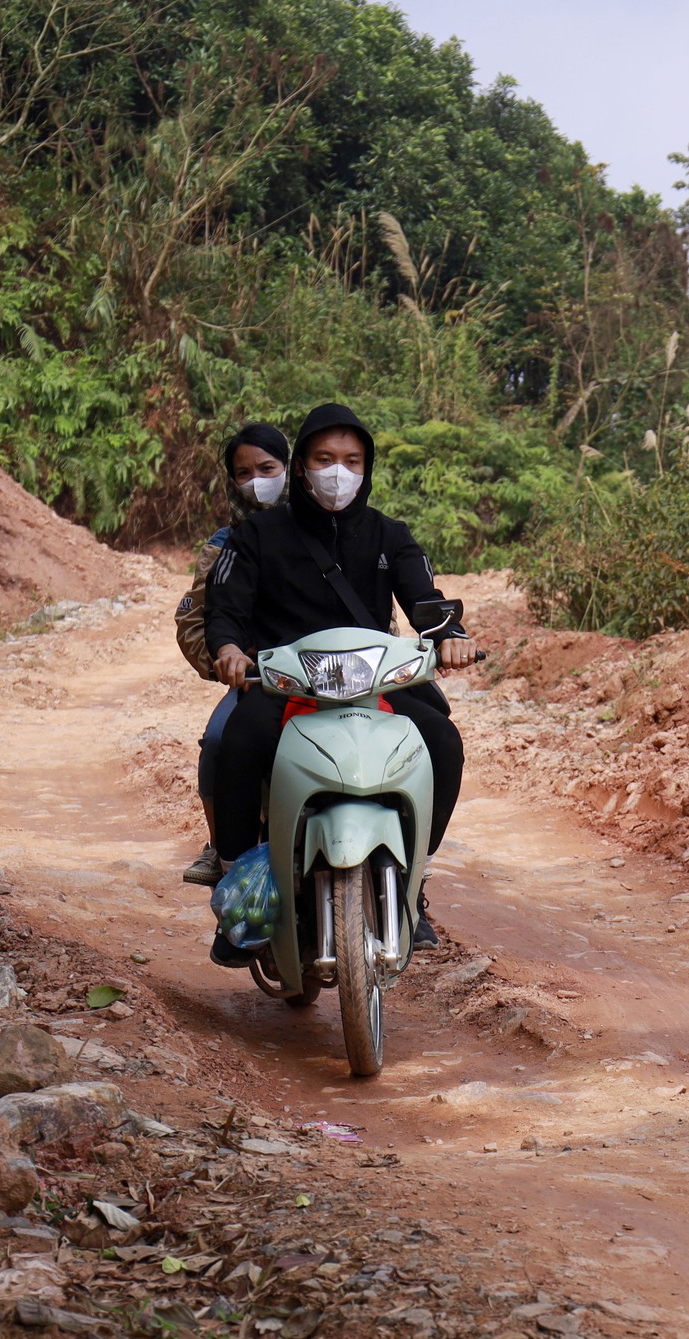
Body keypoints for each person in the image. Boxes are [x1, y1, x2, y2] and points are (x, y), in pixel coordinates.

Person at [200, 402, 472, 965]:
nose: (338, 472)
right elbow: (225, 607)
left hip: (374, 683)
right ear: (300, 465)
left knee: (442, 742)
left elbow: (425, 598)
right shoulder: (256, 534)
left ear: (367, 467)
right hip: (285, 688)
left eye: (352, 460)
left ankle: (413, 878)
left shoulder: (389, 535)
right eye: (325, 458)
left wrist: (451, 635)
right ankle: (238, 894)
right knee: (234, 743)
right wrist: (227, 648)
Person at [182, 422, 292, 887]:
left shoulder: (331, 532)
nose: (256, 481)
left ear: (291, 469)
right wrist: (226, 660)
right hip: (260, 679)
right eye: (243, 472)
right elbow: (194, 620)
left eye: (267, 468)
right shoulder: (224, 545)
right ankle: (223, 852)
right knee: (221, 741)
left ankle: (410, 881)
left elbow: (376, 615)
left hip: (339, 677)